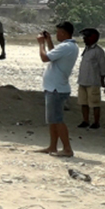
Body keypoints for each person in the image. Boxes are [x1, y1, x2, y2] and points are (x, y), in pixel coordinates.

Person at [37, 22, 79, 157]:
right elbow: (54, 56)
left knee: (57, 119)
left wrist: (41, 44)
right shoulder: (69, 46)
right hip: (55, 87)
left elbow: (45, 57)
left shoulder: (66, 46)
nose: (57, 35)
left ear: (64, 33)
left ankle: (67, 148)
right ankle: (53, 146)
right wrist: (48, 41)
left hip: (56, 88)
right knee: (52, 119)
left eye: (58, 32)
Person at [77, 27, 105, 130]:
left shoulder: (98, 51)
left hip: (93, 82)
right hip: (83, 81)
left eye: (86, 37)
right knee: (83, 103)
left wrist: (102, 80)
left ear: (92, 37)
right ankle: (85, 121)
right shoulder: (87, 50)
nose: (84, 39)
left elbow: (103, 67)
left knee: (94, 103)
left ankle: (96, 122)